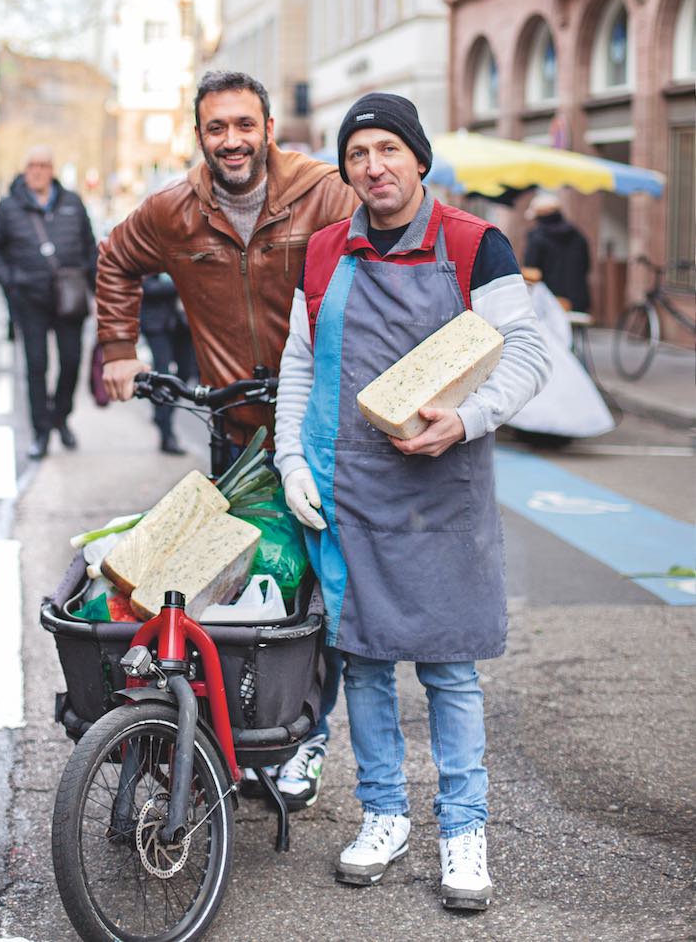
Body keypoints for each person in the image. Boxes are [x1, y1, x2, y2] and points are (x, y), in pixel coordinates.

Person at [274, 93, 550, 909]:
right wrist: (292, 459)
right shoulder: (325, 252)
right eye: (358, 154)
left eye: (388, 149)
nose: (374, 167)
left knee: (449, 667)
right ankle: (383, 814)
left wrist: (465, 419)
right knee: (361, 661)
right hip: (347, 490)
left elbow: (527, 354)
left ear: (418, 158)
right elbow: (299, 365)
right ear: (347, 169)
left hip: (442, 490)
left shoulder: (473, 245)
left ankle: (464, 830)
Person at [97, 69, 357, 809]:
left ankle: (307, 738)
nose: (232, 140)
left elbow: (386, 252)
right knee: (226, 590)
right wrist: (119, 346)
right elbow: (116, 258)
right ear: (200, 135)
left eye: (245, 125)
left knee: (319, 598)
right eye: (218, 128)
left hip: (320, 433)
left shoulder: (324, 192)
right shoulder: (176, 209)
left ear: (268, 129)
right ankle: (224, 737)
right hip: (235, 431)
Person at [0, 146, 96, 460]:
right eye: (32, 165)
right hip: (29, 299)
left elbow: (90, 247)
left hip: (69, 298)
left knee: (71, 361)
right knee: (36, 366)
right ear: (25, 169)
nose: (38, 171)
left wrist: (96, 286)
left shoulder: (72, 202)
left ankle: (61, 415)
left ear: (53, 169)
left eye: (44, 165)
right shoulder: (8, 207)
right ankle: (41, 432)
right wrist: (11, 280)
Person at [140, 273, 194, 455]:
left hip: (183, 323)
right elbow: (146, 287)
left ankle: (162, 415)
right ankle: (166, 434)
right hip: (156, 323)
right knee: (163, 376)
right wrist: (183, 281)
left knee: (185, 375)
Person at [523, 191, 591, 313]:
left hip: (547, 302)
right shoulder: (578, 235)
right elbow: (586, 266)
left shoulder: (537, 237)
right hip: (578, 300)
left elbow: (531, 271)